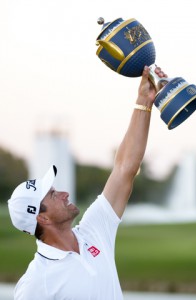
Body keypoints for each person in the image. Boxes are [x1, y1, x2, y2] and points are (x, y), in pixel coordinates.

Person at [8, 66, 167, 300]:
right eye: (52, 195)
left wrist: (144, 100)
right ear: (42, 218)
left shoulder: (93, 229)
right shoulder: (36, 283)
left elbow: (125, 170)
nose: (63, 193)